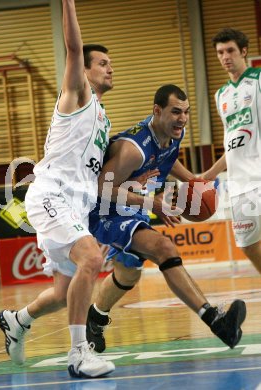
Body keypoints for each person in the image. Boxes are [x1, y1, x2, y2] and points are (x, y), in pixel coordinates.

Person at [0, 0, 115, 379]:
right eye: (102, 63)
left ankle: (17, 320)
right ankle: (79, 354)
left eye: (110, 63)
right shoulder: (76, 95)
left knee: (65, 293)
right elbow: (73, 49)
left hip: (75, 204)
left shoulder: (103, 118)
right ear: (83, 71)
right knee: (92, 261)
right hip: (51, 194)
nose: (109, 67)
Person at [86, 84, 247, 353]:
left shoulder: (174, 134)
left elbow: (169, 161)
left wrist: (206, 175)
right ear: (157, 111)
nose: (182, 118)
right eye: (175, 112)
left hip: (132, 207)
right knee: (164, 249)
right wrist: (152, 203)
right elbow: (100, 189)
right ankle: (216, 321)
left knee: (128, 274)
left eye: (185, 112)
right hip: (104, 210)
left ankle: (95, 317)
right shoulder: (133, 149)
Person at [201, 29, 261, 275]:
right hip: (239, 185)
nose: (225, 56)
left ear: (243, 51)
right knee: (248, 245)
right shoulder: (220, 95)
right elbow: (230, 143)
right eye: (220, 52)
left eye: (230, 51)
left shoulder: (258, 79)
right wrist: (210, 173)